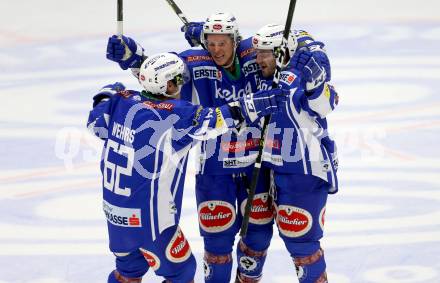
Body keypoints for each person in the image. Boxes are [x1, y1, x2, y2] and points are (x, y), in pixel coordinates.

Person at [87, 52, 288, 283]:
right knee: (182, 273)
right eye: (179, 79)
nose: (183, 83)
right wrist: (256, 103)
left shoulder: (121, 102)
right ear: (168, 84)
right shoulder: (175, 114)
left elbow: (96, 122)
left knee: (128, 272)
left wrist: (108, 94)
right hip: (153, 223)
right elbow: (219, 118)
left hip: (116, 217)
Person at [251, 24, 339, 283]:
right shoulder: (266, 78)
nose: (259, 59)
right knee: (256, 237)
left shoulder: (302, 76)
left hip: (303, 172)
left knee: (301, 242)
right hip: (273, 169)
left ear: (281, 52)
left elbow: (325, 104)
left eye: (265, 53)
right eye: (258, 53)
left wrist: (315, 82)